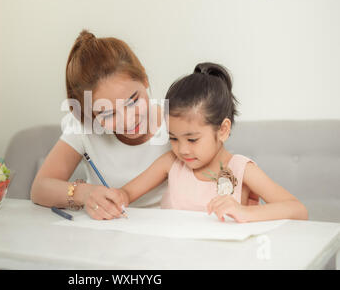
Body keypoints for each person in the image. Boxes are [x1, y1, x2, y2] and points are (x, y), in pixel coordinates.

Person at [118, 62, 308, 222]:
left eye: (192, 139)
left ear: (223, 130)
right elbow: (125, 194)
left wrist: (245, 212)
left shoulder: (241, 168)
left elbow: (298, 210)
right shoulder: (170, 163)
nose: (182, 150)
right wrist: (112, 198)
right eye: (173, 138)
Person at [30, 30, 170, 220]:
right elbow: (40, 188)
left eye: (132, 101)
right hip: (106, 236)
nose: (127, 120)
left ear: (144, 78)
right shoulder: (84, 126)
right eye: (107, 113)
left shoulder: (177, 120)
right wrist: (85, 193)